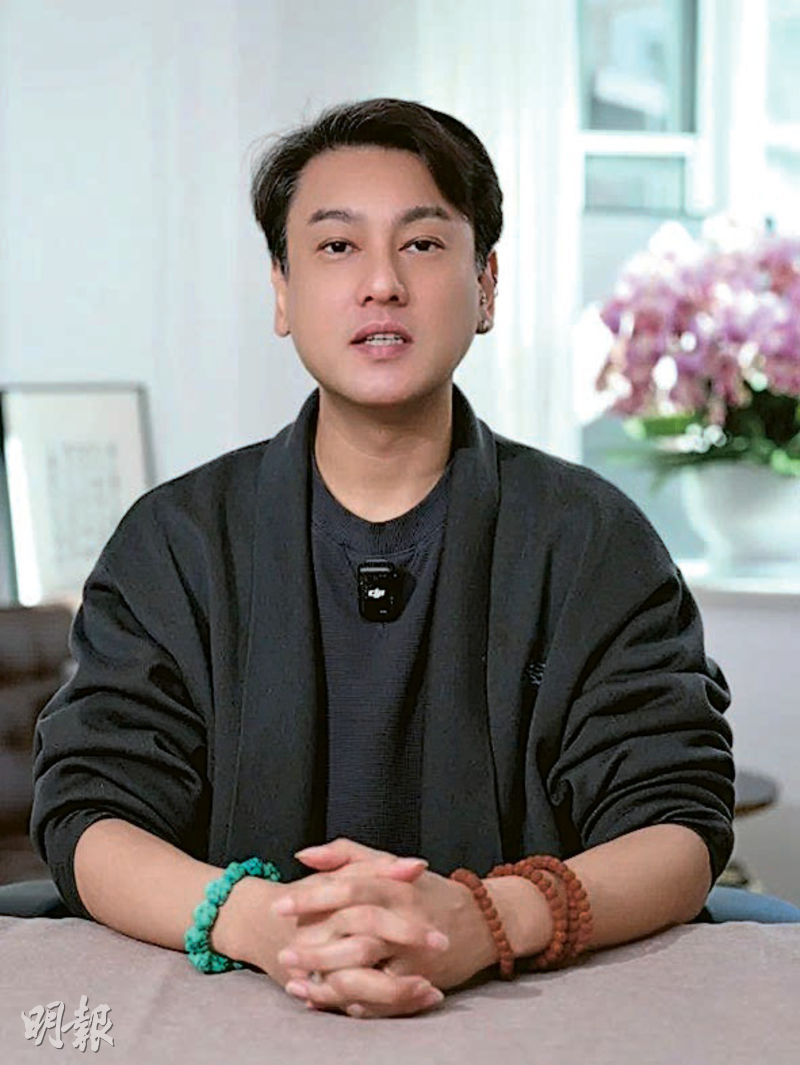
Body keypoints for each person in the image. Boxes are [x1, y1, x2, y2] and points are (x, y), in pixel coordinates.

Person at [27, 97, 737, 1020]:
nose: (381, 284)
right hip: (232, 1016)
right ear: (281, 291)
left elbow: (677, 820)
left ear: (486, 284)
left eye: (423, 244)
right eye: (336, 246)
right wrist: (264, 922)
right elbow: (90, 810)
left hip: (533, 1017)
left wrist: (487, 919)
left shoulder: (592, 538)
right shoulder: (176, 540)